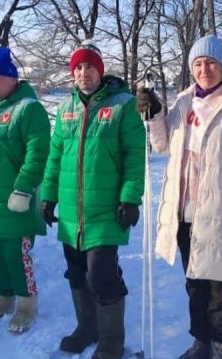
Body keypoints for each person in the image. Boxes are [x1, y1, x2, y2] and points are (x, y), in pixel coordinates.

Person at [137, 35, 222, 359]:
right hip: (185, 214)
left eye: (210, 63)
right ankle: (201, 343)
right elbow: (164, 145)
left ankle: (221, 348)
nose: (204, 69)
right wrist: (154, 116)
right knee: (195, 283)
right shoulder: (183, 102)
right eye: (198, 64)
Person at [41, 41, 145, 359]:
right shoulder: (66, 108)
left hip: (105, 209)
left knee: (101, 274)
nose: (83, 72)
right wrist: (47, 196)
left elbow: (134, 155)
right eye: (78, 67)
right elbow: (55, 156)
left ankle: (111, 341)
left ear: (99, 70)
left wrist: (130, 197)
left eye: (89, 67)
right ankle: (87, 327)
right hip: (72, 211)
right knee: (76, 272)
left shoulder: (122, 105)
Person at [0, 47, 50, 334]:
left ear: (14, 80)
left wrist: (24, 188)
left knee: (17, 255)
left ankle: (27, 304)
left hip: (17, 198)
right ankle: (2, 298)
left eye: (0, 77)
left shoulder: (29, 108)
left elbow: (38, 152)